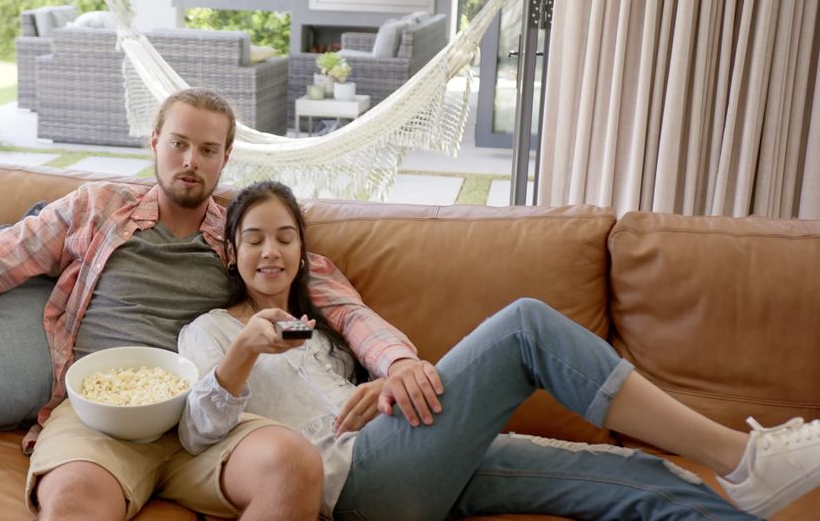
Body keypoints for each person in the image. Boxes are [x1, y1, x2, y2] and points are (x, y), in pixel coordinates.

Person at [0, 88, 429, 521]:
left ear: (225, 158)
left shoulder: (241, 234)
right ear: (154, 141)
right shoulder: (97, 208)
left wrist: (399, 362)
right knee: (73, 500)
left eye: (207, 150)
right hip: (102, 421)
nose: (191, 161)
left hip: (210, 424)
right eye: (179, 143)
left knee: (293, 466)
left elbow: (340, 305)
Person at [178, 180, 820, 520]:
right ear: (232, 253)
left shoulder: (322, 329)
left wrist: (381, 388)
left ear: (302, 251)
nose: (270, 251)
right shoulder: (208, 331)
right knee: (525, 327)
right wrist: (243, 352)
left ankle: (750, 490)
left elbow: (366, 352)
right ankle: (744, 456)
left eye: (285, 237)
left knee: (638, 477)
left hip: (410, 463)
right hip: (348, 486)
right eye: (254, 239)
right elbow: (197, 431)